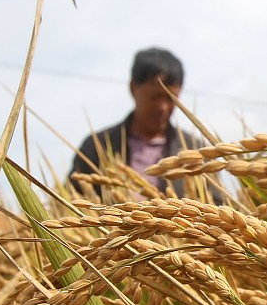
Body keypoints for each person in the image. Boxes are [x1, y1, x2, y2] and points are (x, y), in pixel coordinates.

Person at [70, 47, 220, 202]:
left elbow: (217, 205)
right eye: (155, 96)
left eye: (171, 98)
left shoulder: (195, 151)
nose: (162, 107)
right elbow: (69, 201)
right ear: (133, 88)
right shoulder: (96, 146)